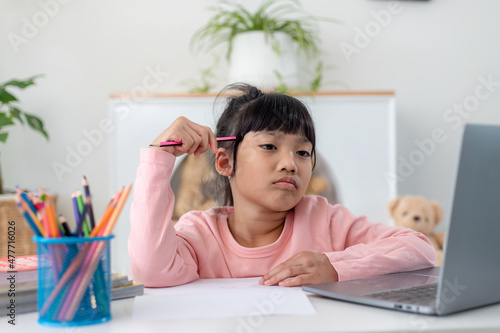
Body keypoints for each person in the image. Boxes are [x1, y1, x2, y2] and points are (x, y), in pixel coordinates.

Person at [128, 83, 436, 288]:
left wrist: (334, 265)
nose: (290, 163)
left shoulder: (325, 220)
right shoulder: (199, 232)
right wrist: (159, 156)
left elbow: (419, 248)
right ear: (224, 163)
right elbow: (150, 270)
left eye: (302, 152)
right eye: (269, 146)